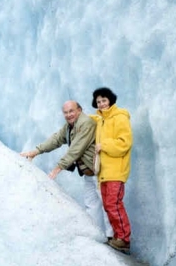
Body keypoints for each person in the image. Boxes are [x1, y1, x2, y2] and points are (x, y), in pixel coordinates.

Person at [20, 100, 112, 240]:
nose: (69, 115)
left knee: (107, 205)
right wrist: (36, 151)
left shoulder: (86, 123)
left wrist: (57, 169)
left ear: (79, 110)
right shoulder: (70, 127)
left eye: (71, 111)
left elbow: (75, 149)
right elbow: (56, 139)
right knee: (91, 204)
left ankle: (113, 238)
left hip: (102, 174)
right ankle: (99, 236)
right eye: (66, 112)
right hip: (89, 174)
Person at [92, 87, 133, 251]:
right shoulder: (100, 120)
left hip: (116, 171)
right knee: (109, 205)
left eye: (104, 100)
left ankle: (124, 239)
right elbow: (87, 119)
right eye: (98, 101)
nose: (101, 104)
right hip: (104, 172)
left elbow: (125, 143)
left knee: (113, 204)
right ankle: (118, 237)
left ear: (110, 100)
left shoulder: (120, 117)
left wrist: (104, 145)